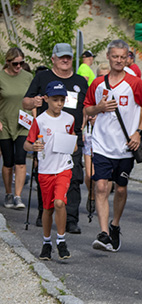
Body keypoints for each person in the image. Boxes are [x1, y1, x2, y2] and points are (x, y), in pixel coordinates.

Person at [84, 39, 142, 252]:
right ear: (108, 56)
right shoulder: (97, 84)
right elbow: (87, 110)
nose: (119, 60)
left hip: (125, 146)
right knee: (101, 186)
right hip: (102, 143)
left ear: (127, 58)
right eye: (115, 56)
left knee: (120, 188)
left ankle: (115, 225)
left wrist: (139, 133)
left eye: (123, 57)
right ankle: (103, 233)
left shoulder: (134, 83)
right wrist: (99, 107)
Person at [24, 43, 89, 234]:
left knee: (74, 176)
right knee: (45, 174)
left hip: (71, 133)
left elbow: (86, 105)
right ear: (53, 58)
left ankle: (71, 219)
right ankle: (44, 211)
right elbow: (25, 101)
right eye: (61, 57)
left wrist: (88, 116)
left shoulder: (80, 81)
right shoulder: (42, 77)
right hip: (47, 133)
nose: (65, 60)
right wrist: (33, 102)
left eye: (68, 57)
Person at [24, 81, 76, 261]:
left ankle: (61, 240)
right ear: (46, 99)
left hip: (63, 167)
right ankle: (47, 243)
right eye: (55, 100)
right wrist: (34, 146)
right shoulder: (39, 120)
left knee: (60, 202)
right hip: (45, 169)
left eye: (62, 100)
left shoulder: (69, 119)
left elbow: (73, 144)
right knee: (47, 208)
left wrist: (72, 145)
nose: (59, 104)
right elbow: (27, 144)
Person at [0, 48, 31, 210]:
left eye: (21, 63)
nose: (19, 66)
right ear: (8, 62)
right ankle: (8, 193)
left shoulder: (28, 77)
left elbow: (32, 100)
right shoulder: (1, 77)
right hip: (4, 123)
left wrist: (35, 121)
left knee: (20, 160)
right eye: (15, 63)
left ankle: (18, 196)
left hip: (23, 124)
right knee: (8, 161)